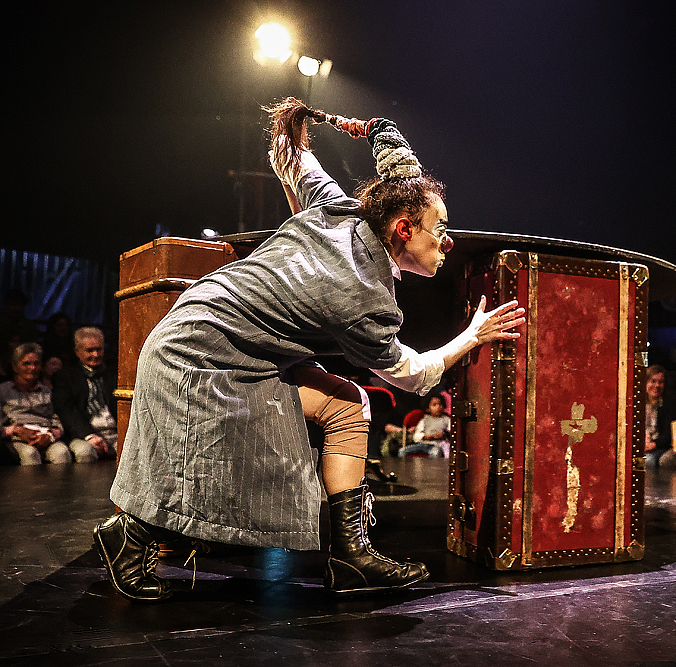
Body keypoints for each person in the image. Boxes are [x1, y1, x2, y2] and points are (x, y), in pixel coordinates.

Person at [92, 98, 525, 603]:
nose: (447, 243)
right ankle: (128, 537)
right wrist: (473, 335)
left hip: (224, 339)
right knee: (222, 456)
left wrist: (367, 131)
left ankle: (350, 558)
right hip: (200, 356)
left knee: (348, 405)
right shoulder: (362, 293)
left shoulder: (335, 206)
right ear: (404, 229)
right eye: (442, 230)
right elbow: (413, 375)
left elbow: (292, 157)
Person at [1, 342, 96, 464]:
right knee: (30, 454)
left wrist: (50, 436)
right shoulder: (3, 391)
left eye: (36, 363)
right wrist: (16, 430)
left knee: (61, 452)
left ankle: (62, 484)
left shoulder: (47, 391)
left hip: (46, 436)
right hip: (17, 439)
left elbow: (57, 419)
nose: (32, 368)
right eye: (26, 364)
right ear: (15, 367)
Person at [52, 327, 117, 460]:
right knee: (84, 452)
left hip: (115, 431)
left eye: (99, 349)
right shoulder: (66, 376)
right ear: (77, 351)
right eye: (90, 350)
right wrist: (90, 435)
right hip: (84, 434)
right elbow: (67, 410)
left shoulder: (114, 373)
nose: (96, 354)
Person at [398, 391, 450, 458]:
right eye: (434, 405)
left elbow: (450, 431)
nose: (438, 407)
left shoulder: (446, 419)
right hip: (423, 444)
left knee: (435, 453)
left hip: (437, 444)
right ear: (428, 408)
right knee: (402, 451)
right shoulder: (425, 420)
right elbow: (417, 435)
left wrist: (443, 435)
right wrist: (425, 436)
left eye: (440, 404)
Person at [642, 365, 671, 469]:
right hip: (639, 445)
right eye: (653, 381)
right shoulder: (637, 403)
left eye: (660, 382)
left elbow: (668, 435)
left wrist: (654, 444)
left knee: (647, 461)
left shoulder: (669, 405)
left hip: (657, 447)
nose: (657, 385)